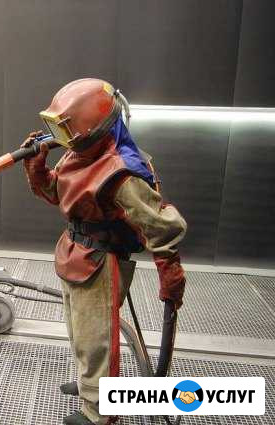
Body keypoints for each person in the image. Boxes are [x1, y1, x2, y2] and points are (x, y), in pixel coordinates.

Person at [22, 78, 187, 425]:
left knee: (97, 339)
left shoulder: (121, 173)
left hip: (99, 263)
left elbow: (161, 226)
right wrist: (37, 168)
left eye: (66, 131)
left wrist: (170, 271)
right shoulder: (79, 153)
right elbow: (58, 194)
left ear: (92, 130)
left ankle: (100, 412)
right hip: (74, 253)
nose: (61, 138)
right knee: (79, 331)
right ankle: (90, 384)